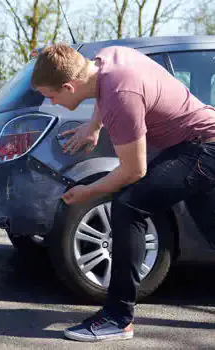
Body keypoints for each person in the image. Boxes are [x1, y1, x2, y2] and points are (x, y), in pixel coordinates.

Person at [31, 43, 215, 342]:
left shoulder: (120, 94)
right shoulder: (109, 58)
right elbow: (105, 89)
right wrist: (93, 127)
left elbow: (133, 171)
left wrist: (88, 191)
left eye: (51, 96)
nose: (52, 102)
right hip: (199, 142)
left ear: (68, 86)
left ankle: (117, 317)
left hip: (202, 147)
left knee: (129, 205)